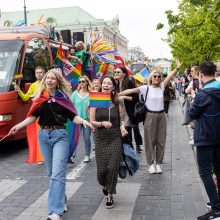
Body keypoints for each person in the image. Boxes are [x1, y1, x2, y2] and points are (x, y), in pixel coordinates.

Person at [8, 69, 94, 220]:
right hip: (44, 136)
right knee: (51, 173)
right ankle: (62, 199)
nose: (49, 80)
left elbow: (73, 116)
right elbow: (32, 117)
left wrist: (83, 120)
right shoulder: (40, 98)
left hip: (60, 136)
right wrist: (18, 126)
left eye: (52, 78)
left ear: (57, 81)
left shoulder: (63, 97)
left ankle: (55, 211)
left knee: (58, 173)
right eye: (47, 78)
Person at [119, 60, 182, 174]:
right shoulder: (145, 88)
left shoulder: (162, 87)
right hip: (150, 116)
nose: (157, 78)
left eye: (158, 76)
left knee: (161, 141)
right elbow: (131, 91)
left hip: (161, 116)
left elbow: (169, 75)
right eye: (155, 76)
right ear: (151, 78)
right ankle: (151, 163)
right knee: (150, 140)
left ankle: (158, 163)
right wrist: (117, 94)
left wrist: (177, 68)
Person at [90, 75, 127, 209]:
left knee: (112, 167)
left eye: (109, 83)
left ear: (113, 87)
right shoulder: (96, 100)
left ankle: (110, 195)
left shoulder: (118, 101)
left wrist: (122, 128)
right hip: (101, 137)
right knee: (101, 171)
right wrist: (101, 123)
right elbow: (92, 121)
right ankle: (105, 185)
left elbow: (122, 119)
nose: (105, 85)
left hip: (115, 137)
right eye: (104, 83)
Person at [189, 61, 220, 220]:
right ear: (214, 72)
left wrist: (194, 97)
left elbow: (192, 114)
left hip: (205, 137)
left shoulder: (202, 94)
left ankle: (216, 209)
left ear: (200, 74)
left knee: (205, 172)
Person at [114, 65, 139, 150]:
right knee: (122, 134)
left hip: (128, 111)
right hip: (118, 111)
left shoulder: (129, 82)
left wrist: (124, 97)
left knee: (126, 133)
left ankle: (130, 154)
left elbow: (136, 98)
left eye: (118, 72)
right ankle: (125, 154)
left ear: (124, 74)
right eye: (115, 72)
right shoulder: (115, 83)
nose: (116, 73)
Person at [70, 76, 92, 163]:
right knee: (74, 138)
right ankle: (72, 154)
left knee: (87, 138)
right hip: (77, 120)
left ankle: (87, 155)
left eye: (83, 81)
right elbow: (70, 106)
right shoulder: (75, 94)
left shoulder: (91, 94)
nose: (81, 83)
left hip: (87, 120)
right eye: (80, 82)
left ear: (87, 82)